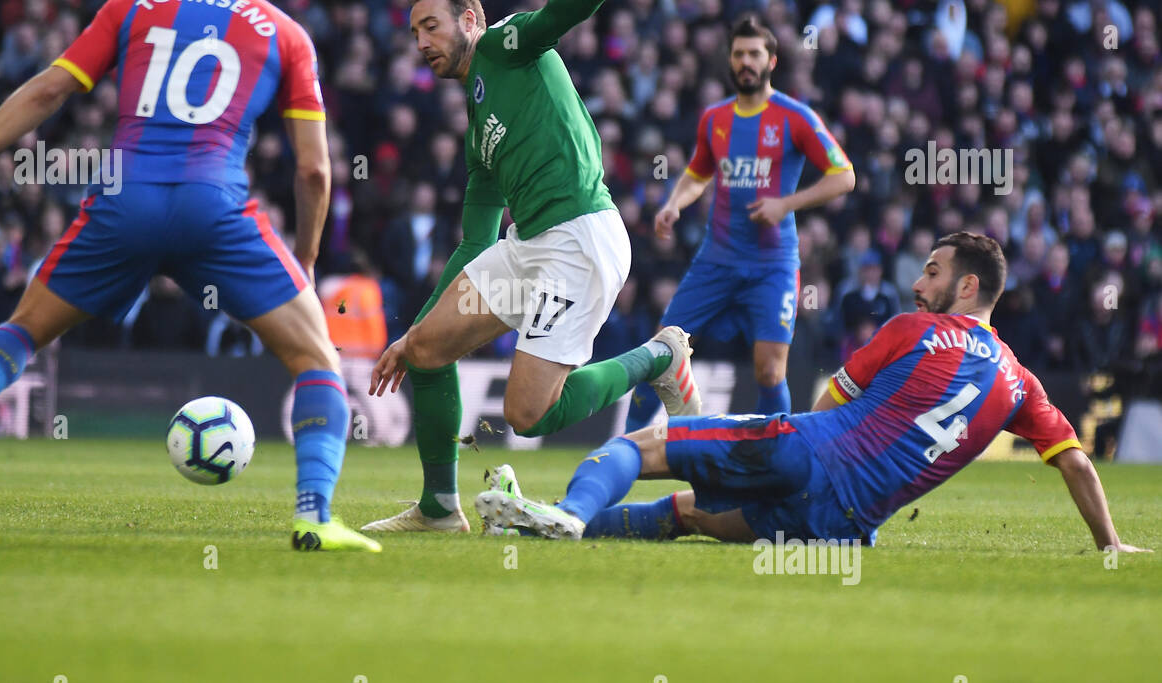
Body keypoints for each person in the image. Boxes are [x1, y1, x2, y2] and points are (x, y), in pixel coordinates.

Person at [0, 0, 379, 553]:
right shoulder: (287, 36)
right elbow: (315, 170)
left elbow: (50, 90)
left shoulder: (134, 6)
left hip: (124, 197)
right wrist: (307, 260)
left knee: (22, 329)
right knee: (316, 359)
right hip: (215, 208)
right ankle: (314, 513)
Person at [477, 233, 1150, 554]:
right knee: (688, 513)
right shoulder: (1018, 382)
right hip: (845, 527)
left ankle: (566, 511)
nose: (919, 283)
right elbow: (1077, 461)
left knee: (642, 444)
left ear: (967, 287)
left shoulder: (914, 328)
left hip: (809, 454)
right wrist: (1111, 543)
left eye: (933, 270)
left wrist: (765, 447)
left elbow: (826, 407)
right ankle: (528, 516)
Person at [363, 0, 702, 534]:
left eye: (431, 27)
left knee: (525, 416)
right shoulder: (478, 124)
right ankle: (439, 510)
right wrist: (413, 330)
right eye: (414, 33)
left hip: (579, 240)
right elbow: (475, 241)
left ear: (469, 20)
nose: (421, 43)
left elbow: (551, 19)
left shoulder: (505, 44)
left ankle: (661, 357)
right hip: (526, 248)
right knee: (423, 351)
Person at [627, 15, 855, 428]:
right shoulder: (714, 118)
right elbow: (698, 173)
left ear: (772, 61)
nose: (745, 62)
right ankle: (621, 448)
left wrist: (787, 204)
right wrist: (675, 203)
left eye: (754, 54)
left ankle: (777, 462)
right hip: (716, 258)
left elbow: (844, 176)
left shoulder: (795, 117)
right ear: (730, 62)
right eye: (738, 54)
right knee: (661, 351)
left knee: (769, 371)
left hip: (773, 264)